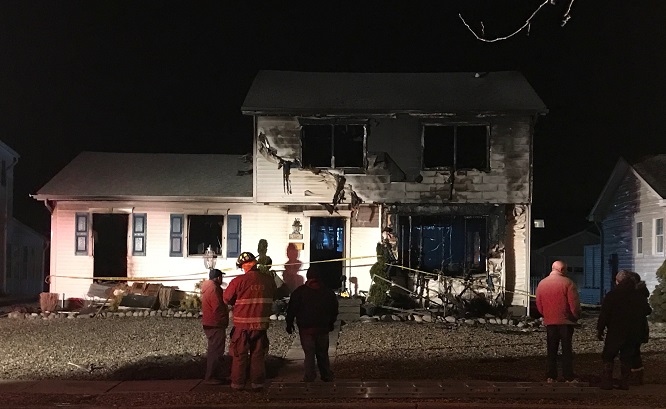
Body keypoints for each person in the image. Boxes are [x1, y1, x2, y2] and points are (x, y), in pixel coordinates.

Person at [223, 251, 277, 391]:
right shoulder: (268, 280)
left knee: (239, 355)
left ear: (244, 266)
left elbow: (227, 298)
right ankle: (257, 384)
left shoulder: (238, 281)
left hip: (242, 326)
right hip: (260, 326)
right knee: (258, 355)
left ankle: (238, 385)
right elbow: (275, 295)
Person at [597, 270, 652, 390]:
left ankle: (607, 381)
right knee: (627, 357)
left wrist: (600, 330)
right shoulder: (638, 296)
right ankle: (624, 382)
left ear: (618, 282)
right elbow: (648, 310)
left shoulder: (612, 295)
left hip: (615, 330)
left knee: (609, 355)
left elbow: (604, 314)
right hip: (632, 331)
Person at [286, 264, 339, 382]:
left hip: (306, 328)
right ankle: (326, 375)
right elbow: (334, 309)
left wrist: (289, 323)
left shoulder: (299, 292)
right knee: (323, 353)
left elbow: (292, 309)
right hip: (323, 327)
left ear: (307, 276)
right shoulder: (328, 292)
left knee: (309, 354)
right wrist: (331, 322)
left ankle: (309, 376)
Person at [535, 260, 582, 383]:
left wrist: (546, 315)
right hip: (566, 322)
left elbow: (539, 305)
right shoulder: (568, 283)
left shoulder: (542, 284)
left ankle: (551, 375)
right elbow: (574, 305)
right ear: (562, 270)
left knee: (551, 349)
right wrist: (576, 316)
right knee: (566, 350)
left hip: (550, 321)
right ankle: (568, 375)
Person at [200, 268, 229, 385]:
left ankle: (215, 375)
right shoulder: (214, 289)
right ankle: (211, 376)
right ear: (218, 277)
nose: (222, 279)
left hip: (209, 322)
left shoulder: (207, 287)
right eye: (221, 276)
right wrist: (223, 319)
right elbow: (217, 307)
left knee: (213, 350)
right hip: (215, 323)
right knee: (216, 351)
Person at [627, 271, 650, 385]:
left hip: (636, 327)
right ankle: (636, 376)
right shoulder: (642, 293)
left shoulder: (637, 294)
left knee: (633, 352)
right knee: (634, 351)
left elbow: (646, 310)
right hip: (640, 327)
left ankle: (635, 376)